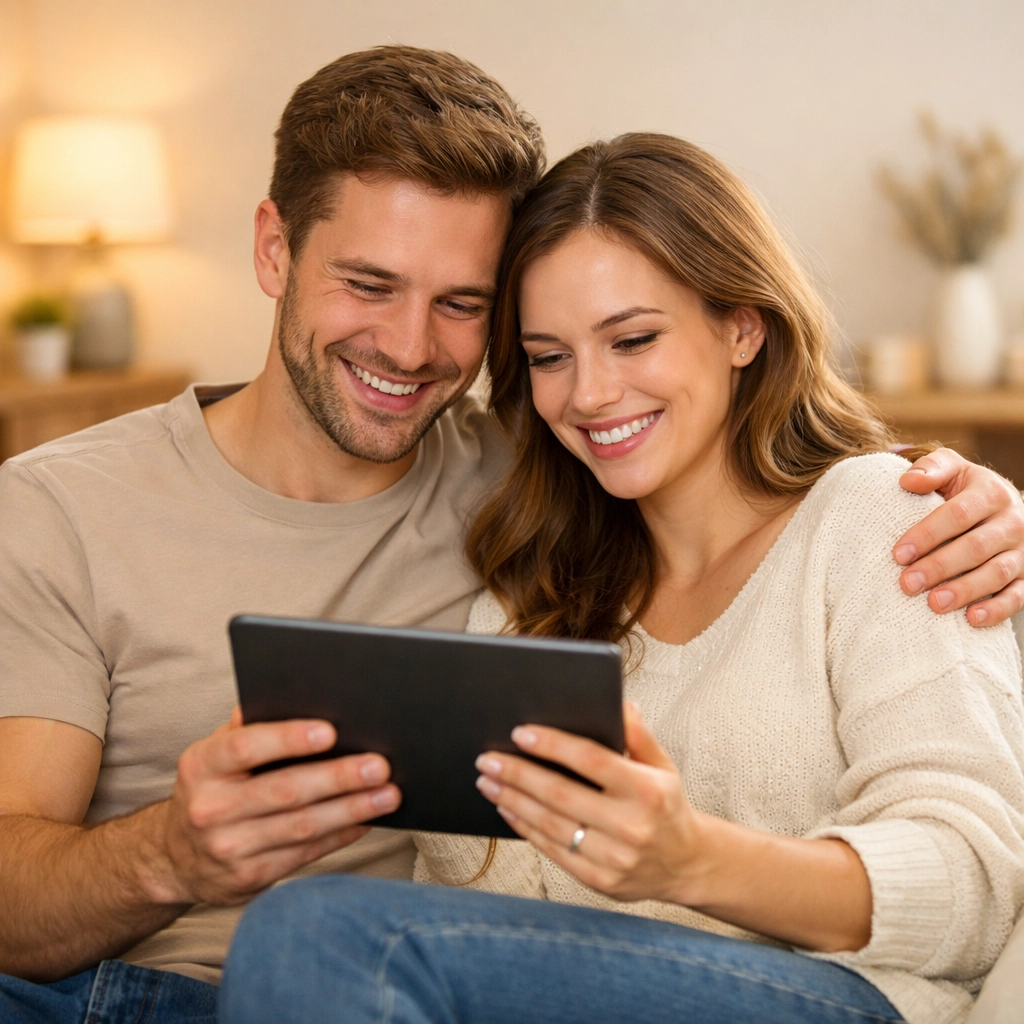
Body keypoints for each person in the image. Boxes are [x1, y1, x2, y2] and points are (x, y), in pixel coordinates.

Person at [0, 46, 1018, 1024]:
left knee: (315, 932)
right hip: (217, 986)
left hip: (777, 991)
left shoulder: (885, 520)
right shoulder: (535, 555)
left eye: (632, 337)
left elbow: (973, 868)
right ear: (275, 249)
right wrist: (172, 853)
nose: (591, 395)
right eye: (545, 355)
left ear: (742, 324)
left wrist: (975, 503)